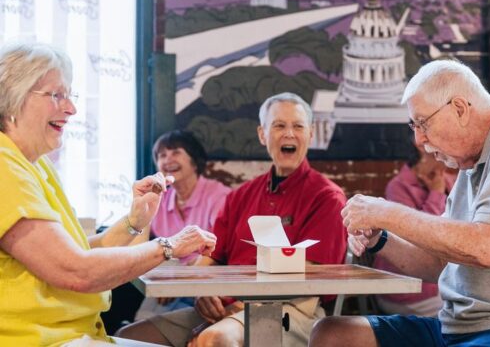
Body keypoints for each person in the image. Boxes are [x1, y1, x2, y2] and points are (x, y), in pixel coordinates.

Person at [310, 59, 490, 347]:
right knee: (332, 334)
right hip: (461, 326)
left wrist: (386, 212)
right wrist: (380, 239)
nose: (419, 139)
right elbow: (442, 264)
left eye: (422, 123)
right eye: (414, 126)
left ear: (460, 109)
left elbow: (485, 248)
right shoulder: (470, 165)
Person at [0, 41, 216, 346]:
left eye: (70, 95)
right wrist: (169, 246)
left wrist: (133, 221)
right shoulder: (5, 166)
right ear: (14, 97)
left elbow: (77, 252)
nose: (71, 108)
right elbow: (76, 270)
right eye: (56, 95)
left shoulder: (34, 164)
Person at [117, 92, 347, 347]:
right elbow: (212, 256)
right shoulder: (240, 196)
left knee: (214, 338)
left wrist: (239, 304)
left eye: (298, 126)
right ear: (262, 134)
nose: (289, 134)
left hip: (292, 309)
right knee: (128, 338)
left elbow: (315, 275)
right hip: (224, 304)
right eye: (279, 126)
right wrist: (202, 293)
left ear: (311, 134)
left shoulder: (327, 197)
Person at [104, 131, 233, 332]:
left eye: (176, 153)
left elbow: (216, 249)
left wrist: (177, 279)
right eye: (162, 155)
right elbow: (137, 251)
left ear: (194, 161)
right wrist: (144, 207)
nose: (168, 160)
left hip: (207, 286)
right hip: (170, 286)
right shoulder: (163, 200)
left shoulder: (218, 195)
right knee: (127, 327)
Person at [373, 147, 456, 317]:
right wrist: (436, 193)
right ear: (423, 151)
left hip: (447, 282)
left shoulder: (451, 181)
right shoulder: (398, 187)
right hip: (408, 290)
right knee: (468, 315)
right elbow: (420, 236)